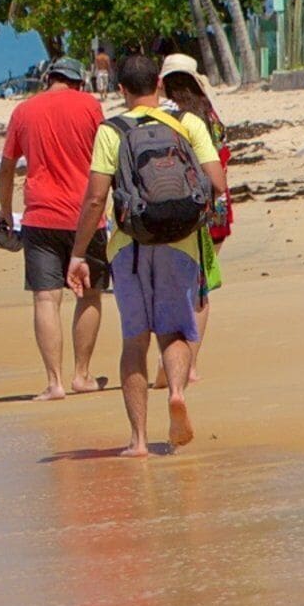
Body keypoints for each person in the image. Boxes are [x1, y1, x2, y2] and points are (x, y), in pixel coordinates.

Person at [77, 52, 224, 459]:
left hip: (130, 246)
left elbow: (94, 199)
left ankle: (139, 440)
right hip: (181, 242)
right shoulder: (188, 123)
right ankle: (176, 392)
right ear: (159, 85)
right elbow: (218, 182)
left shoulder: (111, 131)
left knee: (134, 341)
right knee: (175, 331)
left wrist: (78, 253)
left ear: (121, 90)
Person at [0, 56, 109, 399]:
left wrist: (5, 211)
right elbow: (107, 157)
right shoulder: (90, 106)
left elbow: (6, 167)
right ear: (77, 81)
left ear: (48, 79)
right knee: (89, 293)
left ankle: (54, 382)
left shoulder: (24, 111)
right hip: (86, 213)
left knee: (46, 298)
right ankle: (82, 376)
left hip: (39, 215)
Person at [157, 52, 234, 367]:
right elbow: (223, 155)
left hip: (185, 208)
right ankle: (190, 361)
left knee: (182, 286)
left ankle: (176, 360)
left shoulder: (171, 118)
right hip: (218, 208)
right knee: (200, 285)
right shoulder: (209, 114)